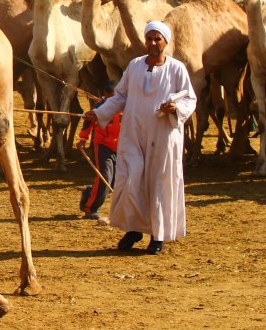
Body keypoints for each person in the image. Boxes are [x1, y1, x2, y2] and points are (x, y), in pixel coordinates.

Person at [82, 20, 196, 255]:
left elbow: (189, 100)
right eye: (149, 39)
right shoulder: (134, 66)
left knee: (158, 182)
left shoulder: (176, 69)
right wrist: (99, 112)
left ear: (166, 42)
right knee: (130, 178)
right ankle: (133, 228)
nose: (153, 43)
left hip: (163, 135)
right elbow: (120, 96)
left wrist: (173, 109)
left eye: (157, 39)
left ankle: (158, 235)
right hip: (133, 133)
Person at [76, 80, 121, 219]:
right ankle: (91, 208)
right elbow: (88, 121)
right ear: (104, 95)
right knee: (105, 177)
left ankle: (90, 191)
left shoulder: (127, 106)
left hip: (122, 146)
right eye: (108, 97)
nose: (111, 101)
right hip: (103, 146)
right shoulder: (99, 107)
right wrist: (83, 138)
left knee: (115, 180)